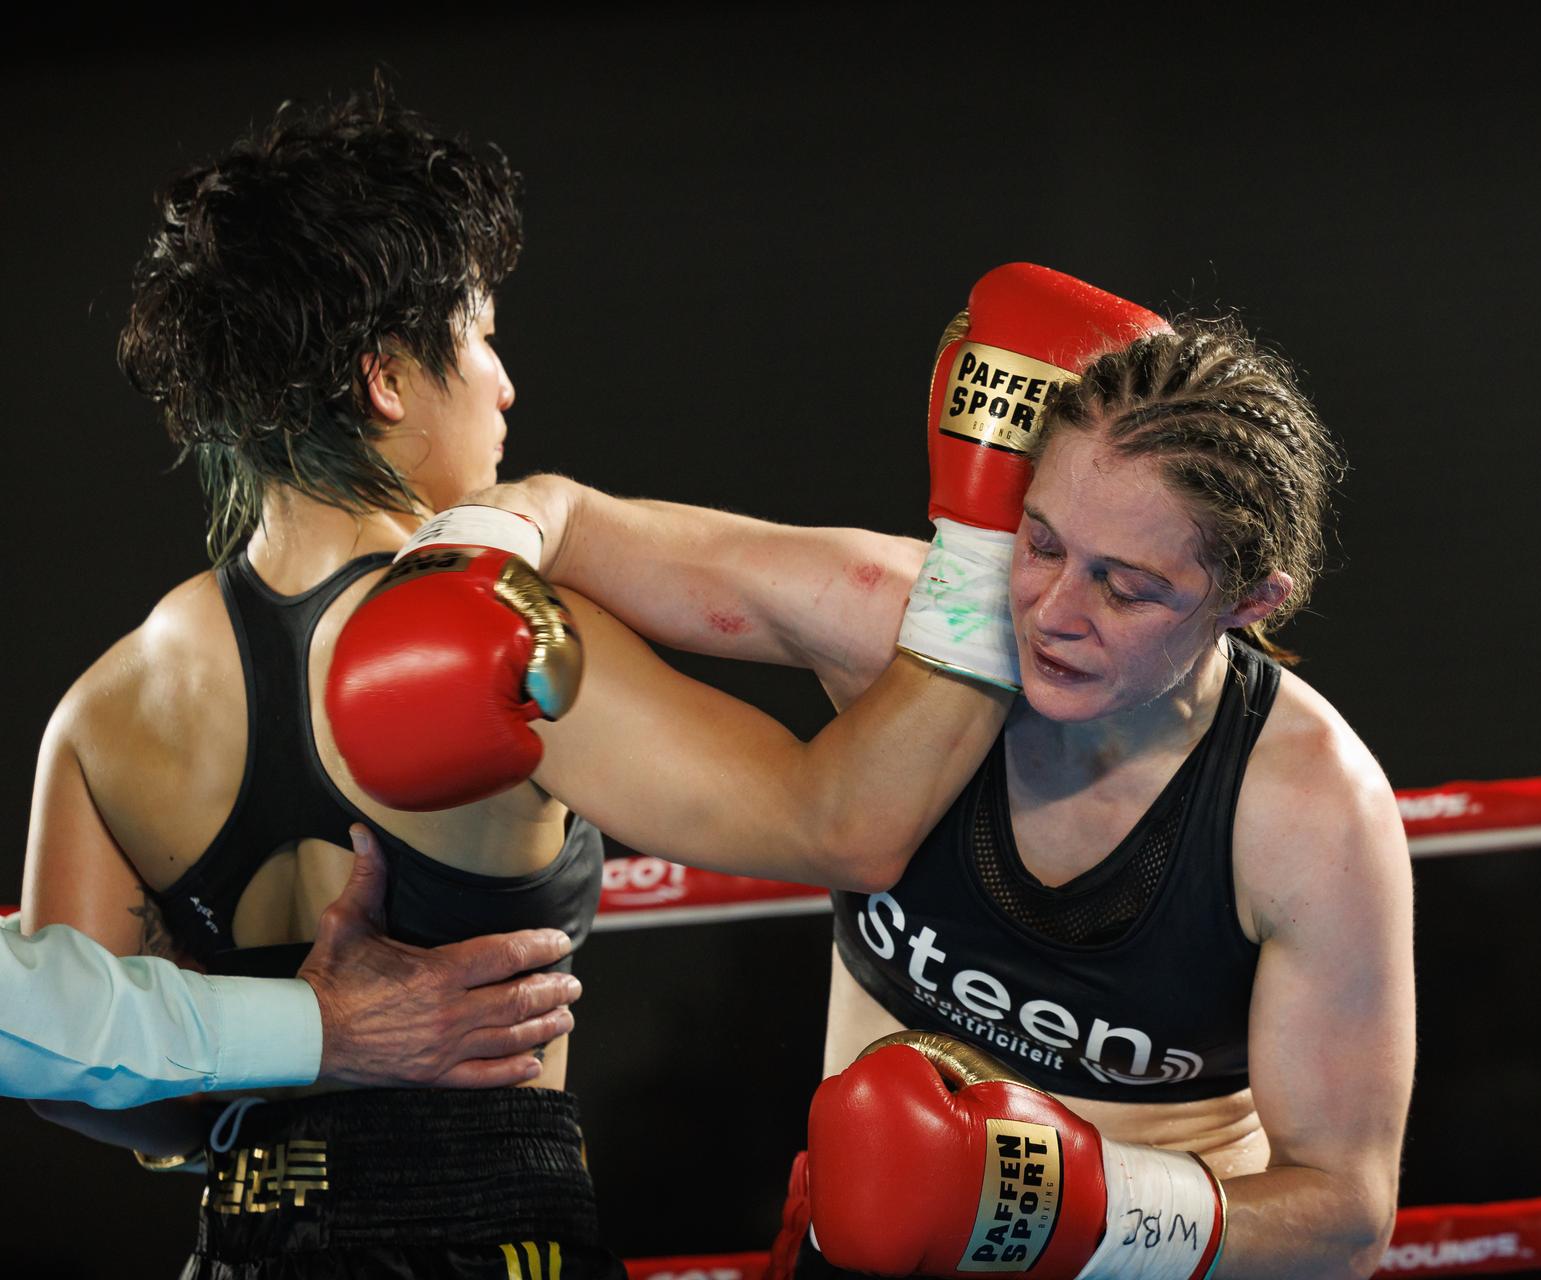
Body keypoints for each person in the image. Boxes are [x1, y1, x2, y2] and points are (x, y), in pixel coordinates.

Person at [22, 85, 1030, 1278]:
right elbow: (848, 822)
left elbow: (91, 1087)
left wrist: (280, 1080)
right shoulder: (485, 626)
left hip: (238, 1238)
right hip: (487, 1232)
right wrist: (994, 545)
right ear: (387, 377)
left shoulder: (99, 709)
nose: (503, 383)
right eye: (479, 336)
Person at [473, 265, 1415, 1279]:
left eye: (1127, 587)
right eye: (1041, 543)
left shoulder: (1308, 812)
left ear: (1246, 600)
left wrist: (1091, 1210)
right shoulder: (904, 625)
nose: (1056, 608)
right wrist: (473, 538)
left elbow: (1348, 1216)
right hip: (865, 1248)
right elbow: (566, 521)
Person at [4, 828, 580, 1107]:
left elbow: (70, 1091)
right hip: (486, 1196)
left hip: (249, 1206)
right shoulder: (523, 645)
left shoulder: (101, 707)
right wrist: (327, 1027)